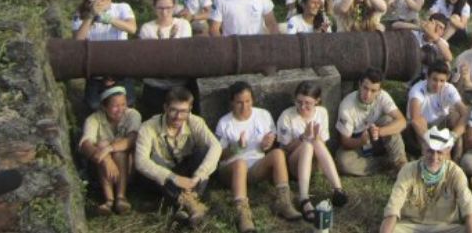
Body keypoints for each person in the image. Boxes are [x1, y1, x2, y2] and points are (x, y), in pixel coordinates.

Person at [214, 82, 302, 232]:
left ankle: (283, 201)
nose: (244, 106)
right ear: (232, 103)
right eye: (239, 103)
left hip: (256, 167)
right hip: (231, 169)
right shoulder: (224, 123)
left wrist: (267, 144)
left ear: (252, 100)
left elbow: (270, 140)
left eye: (248, 101)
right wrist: (236, 148)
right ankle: (242, 212)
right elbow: (219, 156)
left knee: (278, 154)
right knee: (240, 163)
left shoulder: (263, 115)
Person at [134, 87, 222, 228]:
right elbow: (140, 162)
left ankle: (183, 206)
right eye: (174, 110)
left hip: (187, 172)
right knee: (156, 173)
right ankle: (192, 205)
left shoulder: (195, 122)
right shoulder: (148, 127)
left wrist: (199, 176)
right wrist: (173, 177)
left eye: (183, 111)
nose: (178, 116)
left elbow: (216, 146)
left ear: (190, 109)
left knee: (204, 152)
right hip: (164, 174)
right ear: (165, 107)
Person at [380, 127, 472, 233]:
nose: (434, 157)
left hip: (444, 228)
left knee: (464, 230)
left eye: (439, 152)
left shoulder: (455, 173)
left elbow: (470, 213)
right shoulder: (408, 170)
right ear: (423, 149)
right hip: (412, 227)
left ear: (447, 150)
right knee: (394, 229)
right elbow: (392, 211)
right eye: (430, 151)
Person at [277, 82, 347, 222]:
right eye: (299, 102)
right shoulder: (287, 116)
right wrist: (303, 137)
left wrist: (315, 137)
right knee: (308, 143)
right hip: (295, 164)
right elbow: (284, 149)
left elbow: (323, 144)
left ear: (317, 101)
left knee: (315, 141)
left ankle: (338, 189)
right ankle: (304, 198)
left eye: (308, 103)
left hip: (316, 164)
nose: (302, 107)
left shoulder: (322, 112)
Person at [73, 0, 137, 110]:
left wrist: (106, 18)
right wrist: (91, 15)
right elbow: (78, 40)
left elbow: (132, 28)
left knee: (128, 103)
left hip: (119, 67)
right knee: (94, 105)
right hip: (96, 69)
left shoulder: (122, 7)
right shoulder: (81, 12)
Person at [78, 86, 141, 215]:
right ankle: (109, 200)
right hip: (102, 170)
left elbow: (132, 139)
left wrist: (109, 149)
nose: (120, 109)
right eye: (115, 106)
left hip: (127, 166)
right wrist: (106, 158)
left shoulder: (133, 115)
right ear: (104, 107)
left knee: (119, 151)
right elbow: (85, 144)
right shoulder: (93, 119)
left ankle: (121, 197)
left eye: (123, 104)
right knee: (100, 146)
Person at [336, 68, 409, 176]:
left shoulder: (383, 96)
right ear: (359, 85)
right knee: (343, 162)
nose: (368, 94)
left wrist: (380, 131)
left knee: (389, 121)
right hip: (358, 143)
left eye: (373, 91)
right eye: (365, 88)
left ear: (379, 91)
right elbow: (344, 141)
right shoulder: (346, 105)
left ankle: (401, 164)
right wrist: (361, 141)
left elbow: (402, 121)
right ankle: (386, 163)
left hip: (379, 138)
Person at [407, 61, 470, 156]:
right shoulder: (417, 90)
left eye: (442, 81)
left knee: (456, 117)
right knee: (421, 120)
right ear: (427, 77)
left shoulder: (449, 88)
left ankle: (457, 158)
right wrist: (433, 141)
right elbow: (415, 119)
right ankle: (427, 153)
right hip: (421, 128)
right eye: (434, 79)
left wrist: (453, 136)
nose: (437, 84)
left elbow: (465, 113)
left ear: (446, 80)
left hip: (441, 123)